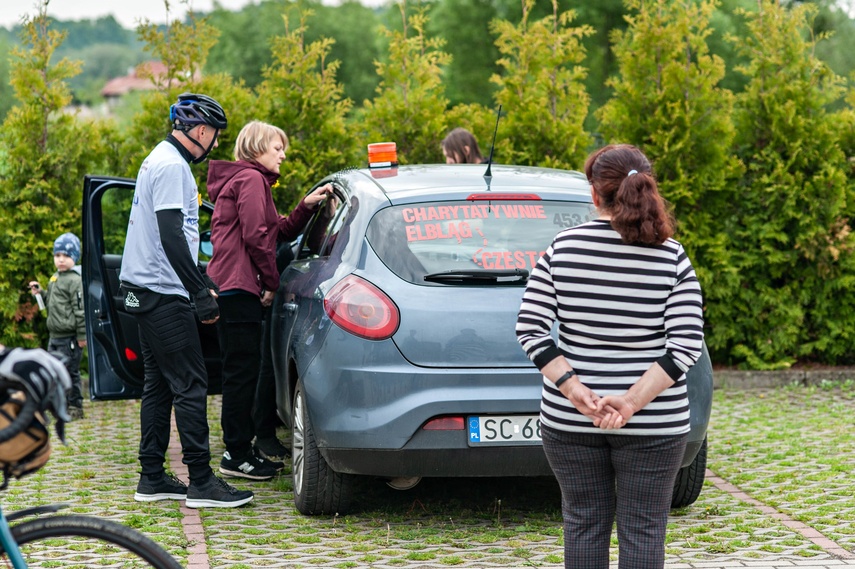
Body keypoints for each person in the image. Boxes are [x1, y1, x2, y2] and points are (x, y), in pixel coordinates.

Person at [515, 143, 704, 569]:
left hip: (571, 419)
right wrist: (632, 401)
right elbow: (686, 344)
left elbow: (529, 328)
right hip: (655, 423)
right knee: (644, 531)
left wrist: (575, 389)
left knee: (582, 524)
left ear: (595, 194)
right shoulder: (671, 256)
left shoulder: (562, 248)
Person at [119, 92, 253, 508]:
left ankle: (152, 477)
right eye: (213, 135)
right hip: (163, 293)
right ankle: (201, 482)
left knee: (157, 386)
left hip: (146, 289)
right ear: (200, 130)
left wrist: (197, 280)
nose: (214, 144)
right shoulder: (173, 166)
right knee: (191, 385)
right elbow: (171, 234)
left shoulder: (156, 158)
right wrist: (198, 290)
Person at [205, 120, 333, 480]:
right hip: (237, 289)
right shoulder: (250, 181)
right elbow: (258, 237)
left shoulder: (251, 181)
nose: (283, 154)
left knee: (241, 372)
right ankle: (236, 454)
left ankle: (241, 449)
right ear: (257, 148)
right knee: (240, 375)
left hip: (233, 287)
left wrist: (305, 207)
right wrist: (272, 282)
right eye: (278, 148)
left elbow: (277, 230)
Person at [28, 233, 86, 421]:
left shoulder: (74, 280)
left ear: (74, 257)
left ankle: (75, 406)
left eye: (66, 256)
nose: (61, 259)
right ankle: (58, 404)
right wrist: (40, 292)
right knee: (54, 372)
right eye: (57, 255)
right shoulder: (55, 278)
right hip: (54, 335)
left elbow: (80, 309)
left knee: (70, 373)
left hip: (69, 337)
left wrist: (81, 335)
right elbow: (50, 302)